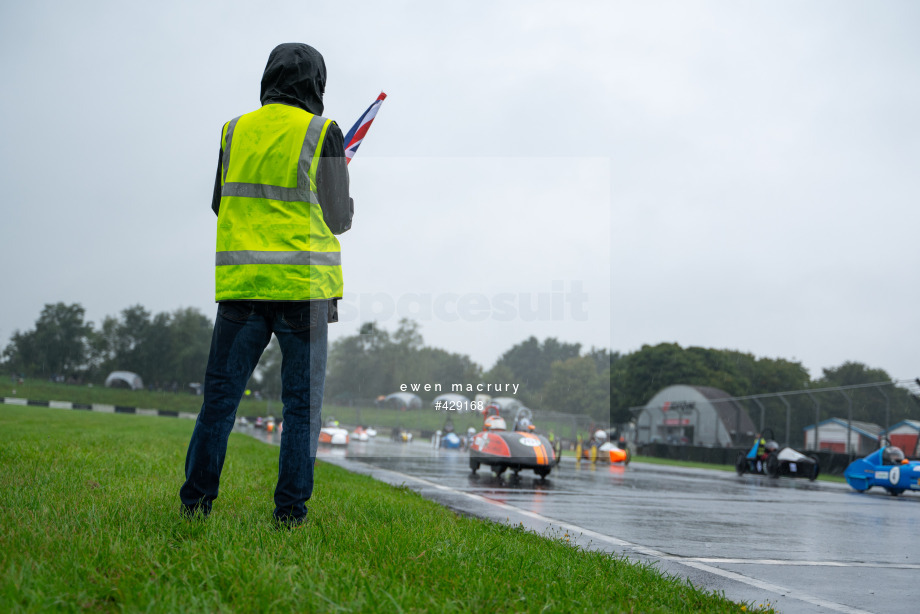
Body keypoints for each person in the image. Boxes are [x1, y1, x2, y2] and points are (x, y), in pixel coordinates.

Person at [179, 43, 353, 528]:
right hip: (305, 291)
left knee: (220, 402)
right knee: (301, 408)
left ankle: (194, 505)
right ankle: (289, 516)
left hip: (243, 288)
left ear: (269, 77)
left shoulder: (234, 131)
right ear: (317, 83)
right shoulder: (324, 133)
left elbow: (221, 202)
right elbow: (337, 218)